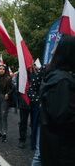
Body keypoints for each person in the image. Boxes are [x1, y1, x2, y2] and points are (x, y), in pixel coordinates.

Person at [40, 37, 75, 166]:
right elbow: (62, 117)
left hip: (56, 148)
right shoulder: (62, 81)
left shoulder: (60, 77)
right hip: (62, 151)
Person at [0, 64, 14, 143]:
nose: (1, 70)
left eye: (3, 69)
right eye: (0, 69)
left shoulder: (8, 78)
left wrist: (8, 93)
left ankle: (4, 134)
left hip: (4, 98)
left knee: (4, 116)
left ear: (5, 70)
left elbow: (12, 88)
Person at [17, 65, 35, 149]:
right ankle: (22, 139)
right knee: (23, 123)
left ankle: (33, 138)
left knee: (34, 123)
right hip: (24, 102)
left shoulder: (35, 73)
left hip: (34, 102)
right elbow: (18, 87)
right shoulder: (21, 74)